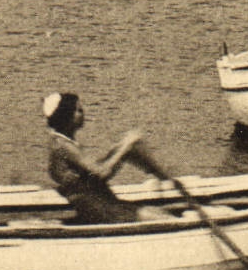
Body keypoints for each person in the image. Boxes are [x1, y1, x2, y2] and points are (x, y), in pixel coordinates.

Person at [43, 93, 161, 224]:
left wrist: (120, 150)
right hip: (99, 209)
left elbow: (93, 171)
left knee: (156, 211)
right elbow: (102, 173)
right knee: (159, 217)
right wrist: (124, 148)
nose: (83, 114)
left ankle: (163, 178)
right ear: (66, 116)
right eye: (79, 110)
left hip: (100, 203)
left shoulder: (63, 142)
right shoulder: (63, 146)